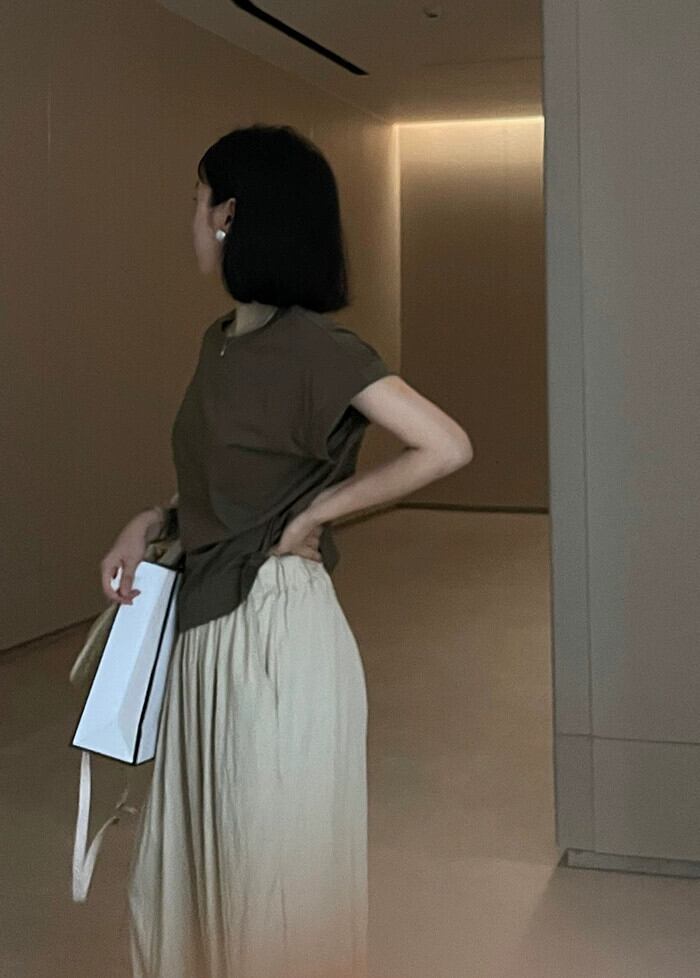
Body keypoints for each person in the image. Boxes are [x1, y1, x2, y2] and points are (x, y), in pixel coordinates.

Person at [99, 123, 473, 978]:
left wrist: (316, 516)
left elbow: (446, 444)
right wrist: (151, 520)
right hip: (206, 627)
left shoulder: (319, 349)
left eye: (198, 200)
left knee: (268, 877)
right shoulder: (219, 340)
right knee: (203, 869)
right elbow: (230, 478)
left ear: (229, 214)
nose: (192, 218)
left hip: (274, 632)